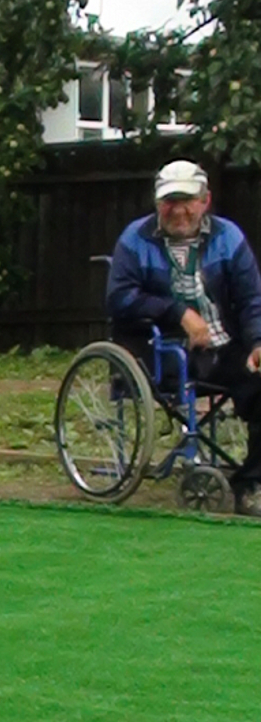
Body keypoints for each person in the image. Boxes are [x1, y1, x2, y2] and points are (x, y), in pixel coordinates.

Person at [107, 159, 261, 515]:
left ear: (205, 201)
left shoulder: (229, 238)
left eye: (187, 200)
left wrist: (256, 343)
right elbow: (118, 298)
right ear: (157, 203)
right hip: (160, 352)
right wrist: (177, 312)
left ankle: (249, 484)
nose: (179, 210)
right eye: (169, 201)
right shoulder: (135, 240)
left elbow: (252, 300)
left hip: (223, 348)